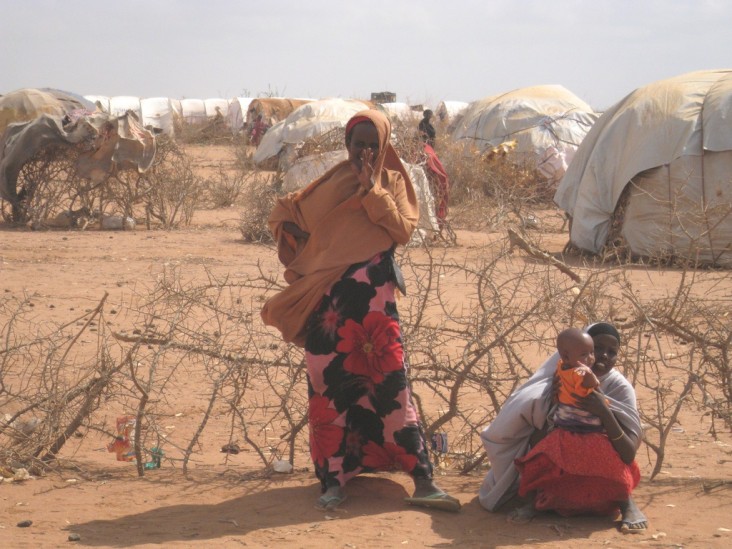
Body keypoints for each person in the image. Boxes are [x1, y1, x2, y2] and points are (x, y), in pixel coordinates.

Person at [261, 109, 460, 513]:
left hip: (374, 307)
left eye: (373, 145)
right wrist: (311, 244)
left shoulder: (394, 184)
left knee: (390, 387)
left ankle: (422, 479)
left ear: (383, 146)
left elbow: (403, 230)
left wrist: (371, 190)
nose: (365, 152)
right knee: (328, 385)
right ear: (347, 144)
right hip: (328, 304)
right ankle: (333, 480)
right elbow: (286, 211)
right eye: (358, 144)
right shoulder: (334, 180)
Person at [478, 322, 648, 534]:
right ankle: (534, 502)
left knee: (601, 449)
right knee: (543, 451)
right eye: (596, 349)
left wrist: (604, 412)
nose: (602, 356)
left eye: (612, 352)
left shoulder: (619, 388)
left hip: (602, 469)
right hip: (564, 456)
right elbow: (534, 433)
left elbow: (628, 451)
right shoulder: (559, 377)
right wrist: (555, 400)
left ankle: (627, 504)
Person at [553, 327, 603, 432]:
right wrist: (589, 374)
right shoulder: (580, 372)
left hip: (564, 417)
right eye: (584, 354)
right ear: (566, 357)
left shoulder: (560, 366)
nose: (590, 358)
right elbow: (593, 385)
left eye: (592, 352)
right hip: (583, 420)